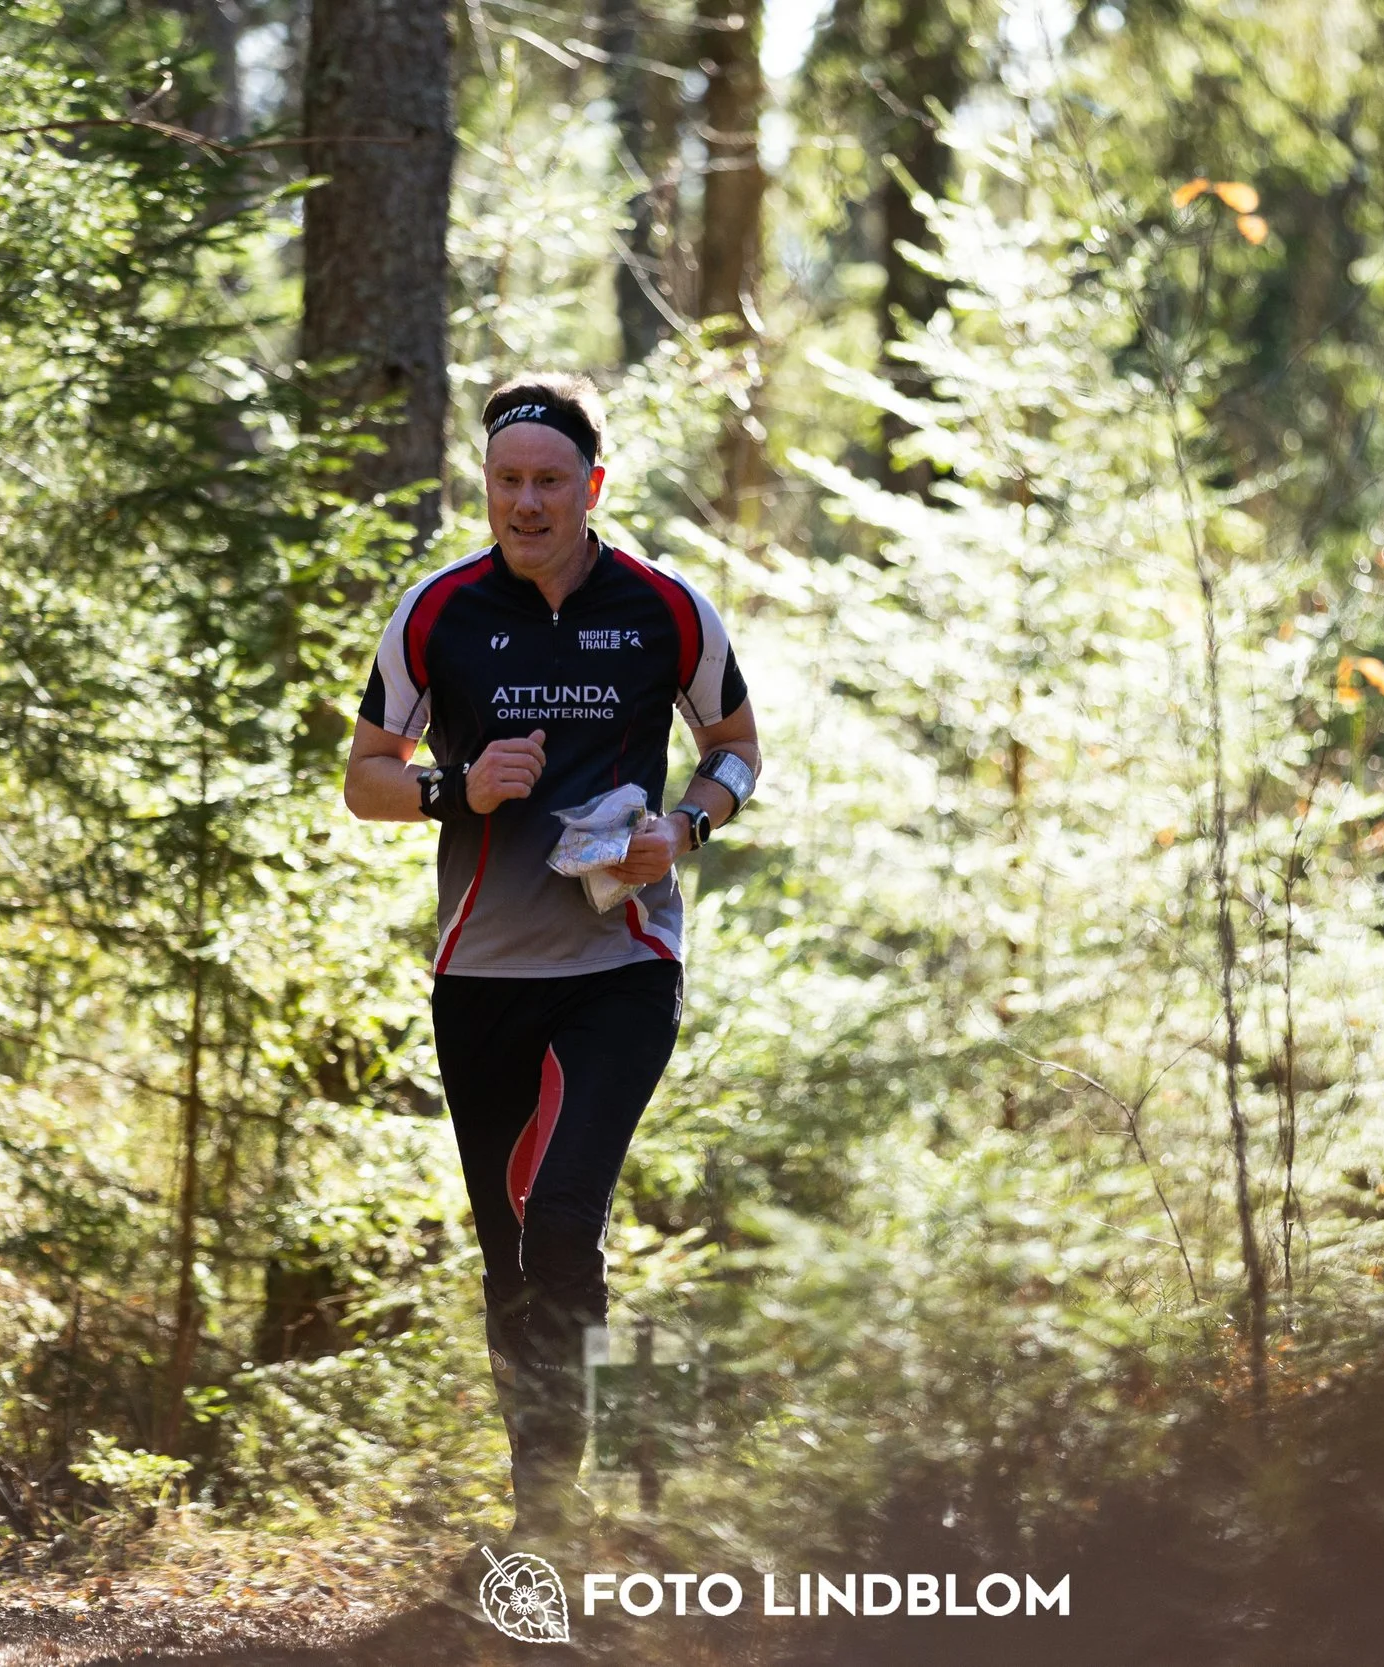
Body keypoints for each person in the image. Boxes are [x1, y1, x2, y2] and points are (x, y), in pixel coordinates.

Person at [340, 373, 761, 1544]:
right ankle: (540, 1488)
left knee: (565, 1215)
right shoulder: (437, 613)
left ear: (594, 487)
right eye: (505, 481)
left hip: (622, 963)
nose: (525, 503)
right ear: (486, 485)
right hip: (481, 974)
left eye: (548, 482)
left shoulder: (667, 610)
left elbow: (734, 748)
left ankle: (558, 1511)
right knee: (510, 1244)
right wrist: (448, 788)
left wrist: (683, 827)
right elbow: (363, 775)